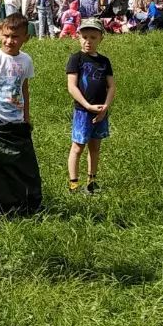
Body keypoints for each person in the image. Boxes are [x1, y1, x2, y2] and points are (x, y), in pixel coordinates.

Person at [0, 13, 41, 213]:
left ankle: (19, 200)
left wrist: (26, 118)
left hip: (17, 120)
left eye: (15, 37)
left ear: (25, 38)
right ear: (0, 34)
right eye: (6, 35)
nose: (9, 41)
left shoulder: (26, 60)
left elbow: (24, 90)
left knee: (19, 164)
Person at [66, 18, 115, 194]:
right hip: (82, 112)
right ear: (79, 37)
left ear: (100, 38)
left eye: (93, 37)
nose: (88, 41)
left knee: (95, 147)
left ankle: (92, 181)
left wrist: (105, 107)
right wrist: (87, 105)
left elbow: (111, 86)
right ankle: (73, 184)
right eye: (85, 36)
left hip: (101, 112)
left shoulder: (104, 61)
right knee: (78, 147)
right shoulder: (76, 59)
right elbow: (72, 86)